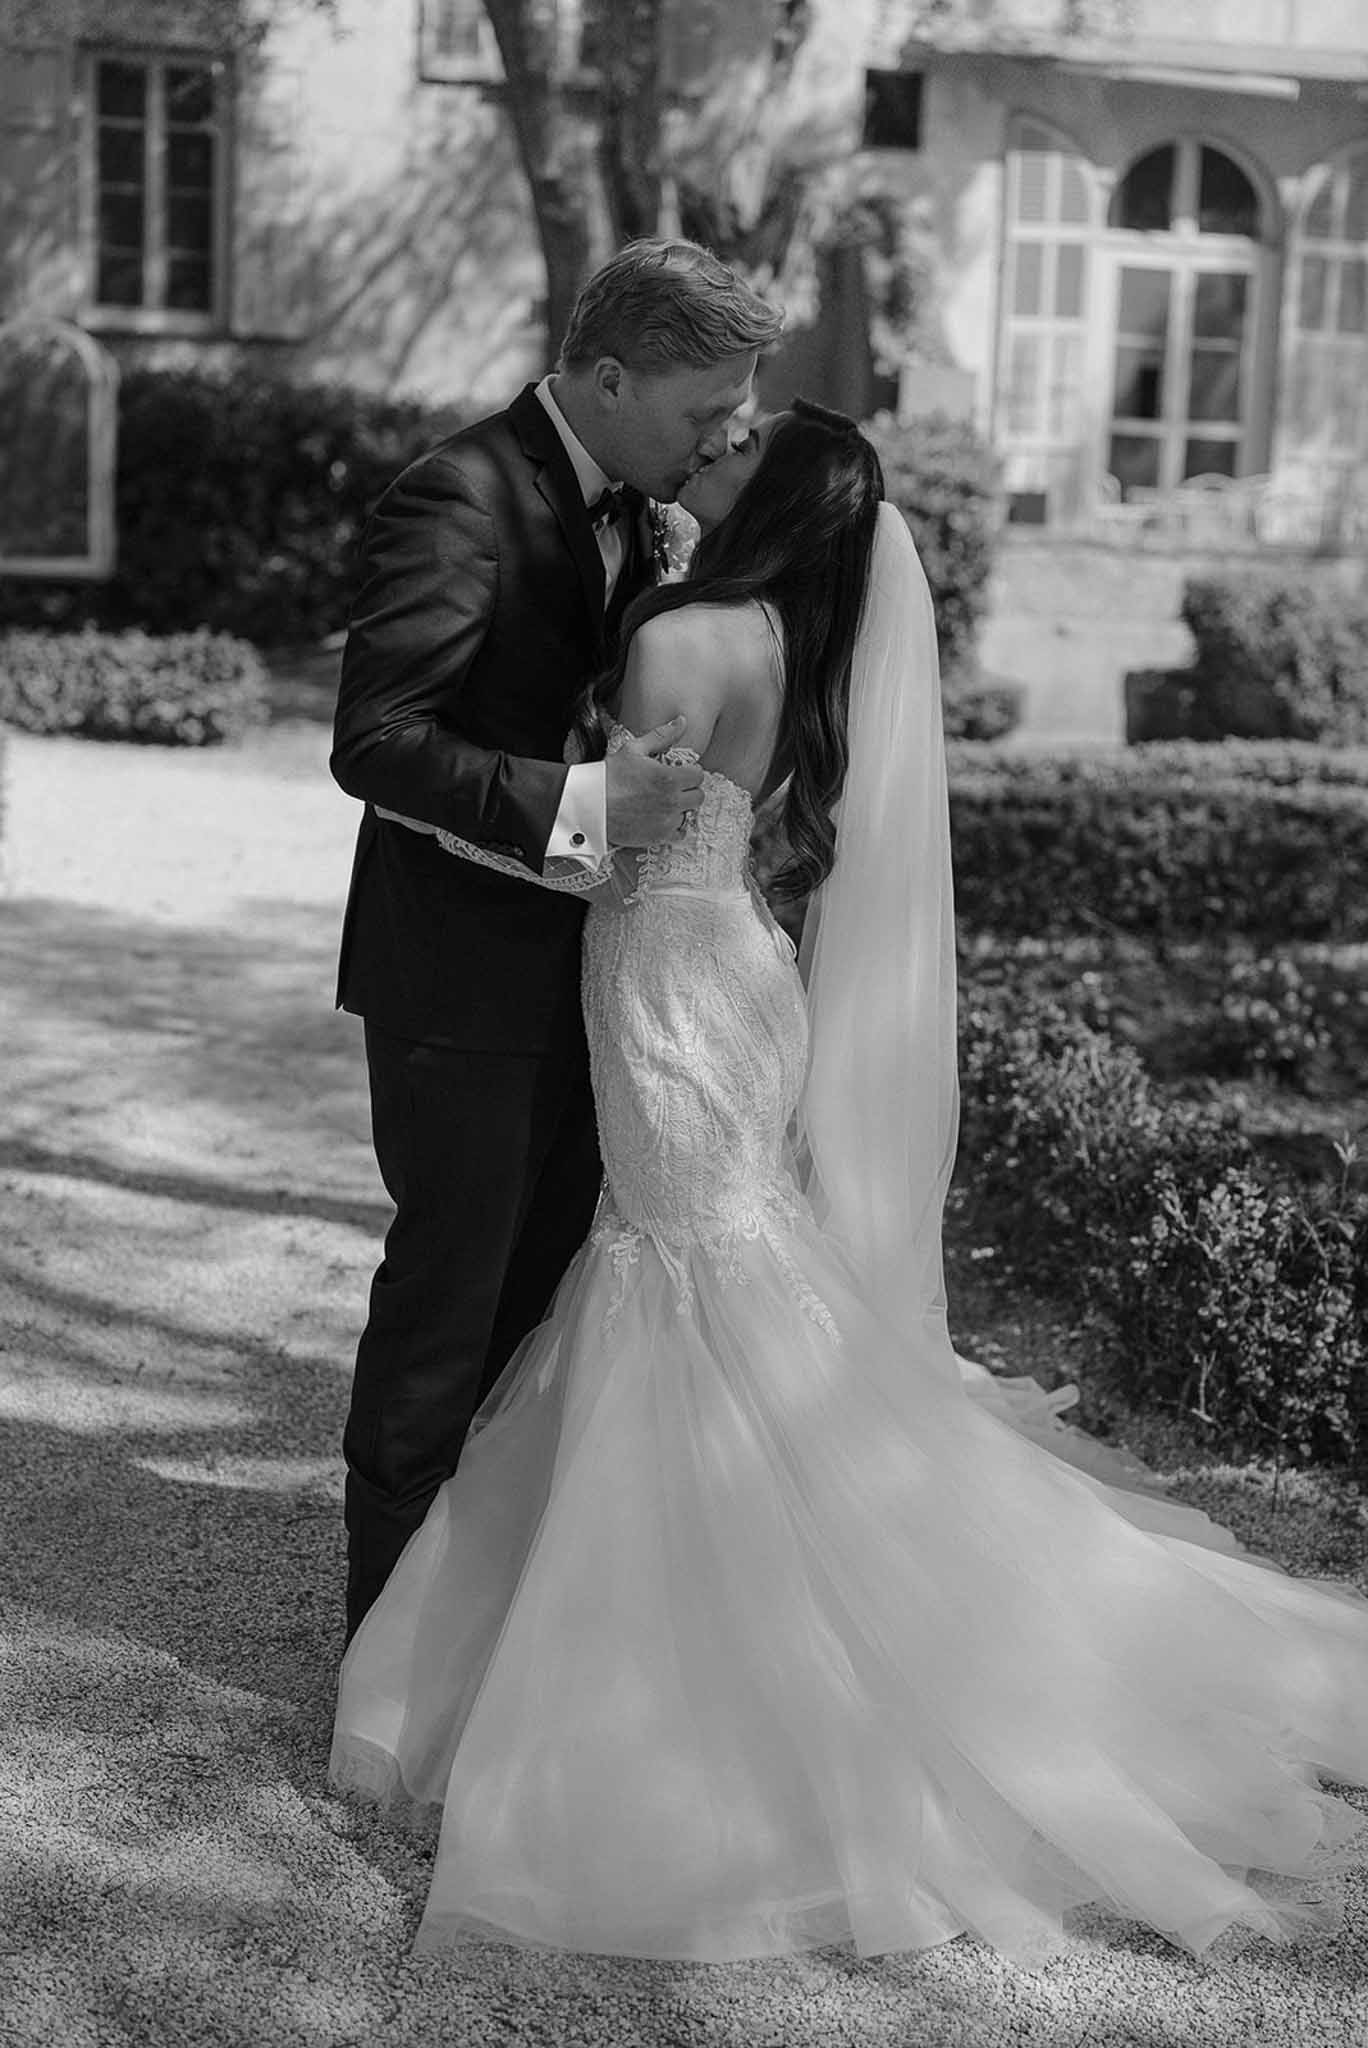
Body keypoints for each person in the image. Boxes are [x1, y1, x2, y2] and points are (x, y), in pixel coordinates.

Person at [330, 403, 1368, 1967]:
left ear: (772, 499)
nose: (712, 454)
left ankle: (688, 1662)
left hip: (662, 979)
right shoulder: (792, 647)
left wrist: (556, 794)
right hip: (735, 977)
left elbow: (608, 833)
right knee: (715, 1267)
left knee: (678, 1278)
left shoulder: (682, 630)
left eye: (739, 450)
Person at [329, 239, 783, 1641]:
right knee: (449, 1305)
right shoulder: (458, 495)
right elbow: (377, 743)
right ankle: (383, 1644)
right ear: (606, 373)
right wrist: (584, 806)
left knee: (543, 1308)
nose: (731, 432)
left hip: (609, 986)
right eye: (707, 402)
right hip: (460, 981)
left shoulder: (647, 514)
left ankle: (493, 1633)